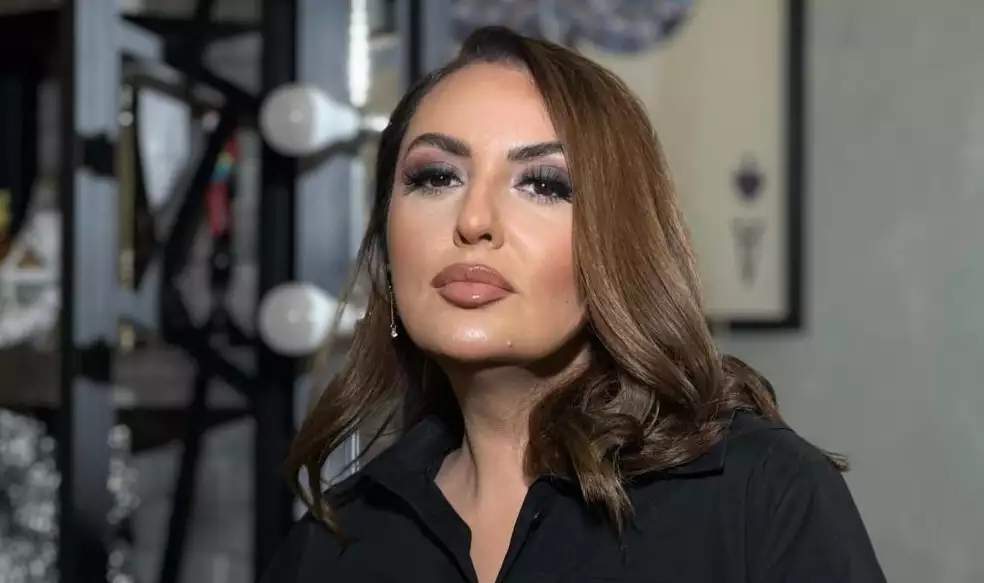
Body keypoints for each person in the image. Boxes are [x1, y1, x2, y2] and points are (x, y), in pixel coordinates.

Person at [259, 26, 886, 583]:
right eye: (436, 177)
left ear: (621, 244)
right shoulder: (331, 544)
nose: (473, 220)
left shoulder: (761, 495)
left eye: (543, 183)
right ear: (387, 238)